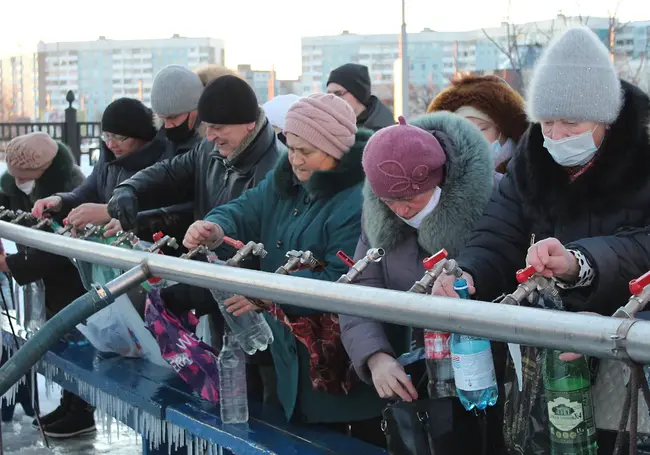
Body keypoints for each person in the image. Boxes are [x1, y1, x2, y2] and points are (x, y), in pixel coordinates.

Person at [432, 25, 650, 454]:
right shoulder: (532, 159)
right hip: (552, 352)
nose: (558, 136)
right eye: (548, 122)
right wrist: (469, 272)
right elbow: (499, 231)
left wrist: (579, 262)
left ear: (605, 118)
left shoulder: (643, 157)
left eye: (572, 123)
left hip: (630, 356)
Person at [182, 94, 387, 446]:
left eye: (306, 151)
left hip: (339, 371)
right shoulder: (285, 183)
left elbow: (341, 279)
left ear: (336, 149)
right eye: (290, 147)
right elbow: (244, 209)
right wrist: (214, 227)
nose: (294, 159)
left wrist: (266, 294)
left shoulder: (356, 200)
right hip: (290, 361)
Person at [107, 74, 283, 405]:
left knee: (264, 410)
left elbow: (260, 247)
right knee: (227, 404)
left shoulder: (276, 166)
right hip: (219, 309)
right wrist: (129, 189)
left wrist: (189, 294)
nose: (211, 135)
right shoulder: (209, 151)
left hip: (260, 317)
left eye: (219, 127)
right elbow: (170, 172)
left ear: (248, 124)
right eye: (207, 126)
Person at [339, 113, 498, 453]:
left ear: (439, 180)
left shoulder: (493, 198)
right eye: (389, 203)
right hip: (421, 380)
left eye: (412, 199)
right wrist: (375, 357)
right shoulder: (379, 216)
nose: (402, 210)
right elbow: (360, 289)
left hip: (489, 378)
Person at [0, 132, 91, 438]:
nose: (20, 182)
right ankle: (68, 402)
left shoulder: (70, 187)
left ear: (46, 169)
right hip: (41, 278)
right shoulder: (12, 182)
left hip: (71, 278)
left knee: (77, 341)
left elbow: (61, 249)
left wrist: (10, 266)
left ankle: (81, 410)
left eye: (27, 177)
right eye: (16, 177)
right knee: (56, 340)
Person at [31, 97, 174, 240]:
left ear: (142, 136)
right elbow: (86, 192)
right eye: (107, 136)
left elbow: (158, 211)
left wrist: (110, 214)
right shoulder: (107, 160)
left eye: (119, 137)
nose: (111, 144)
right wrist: (59, 201)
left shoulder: (161, 164)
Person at [427, 74, 528, 184]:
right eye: (462, 129)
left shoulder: (528, 180)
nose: (472, 137)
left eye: (482, 128)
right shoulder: (437, 185)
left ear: (504, 132)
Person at [151, 64, 204, 156]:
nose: (167, 126)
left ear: (195, 108)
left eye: (173, 117)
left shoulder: (216, 145)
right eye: (164, 119)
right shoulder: (161, 142)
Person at [327, 63, 394, 131]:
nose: (332, 99)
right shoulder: (326, 126)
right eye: (329, 94)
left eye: (339, 93)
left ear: (358, 95)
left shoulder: (384, 132)